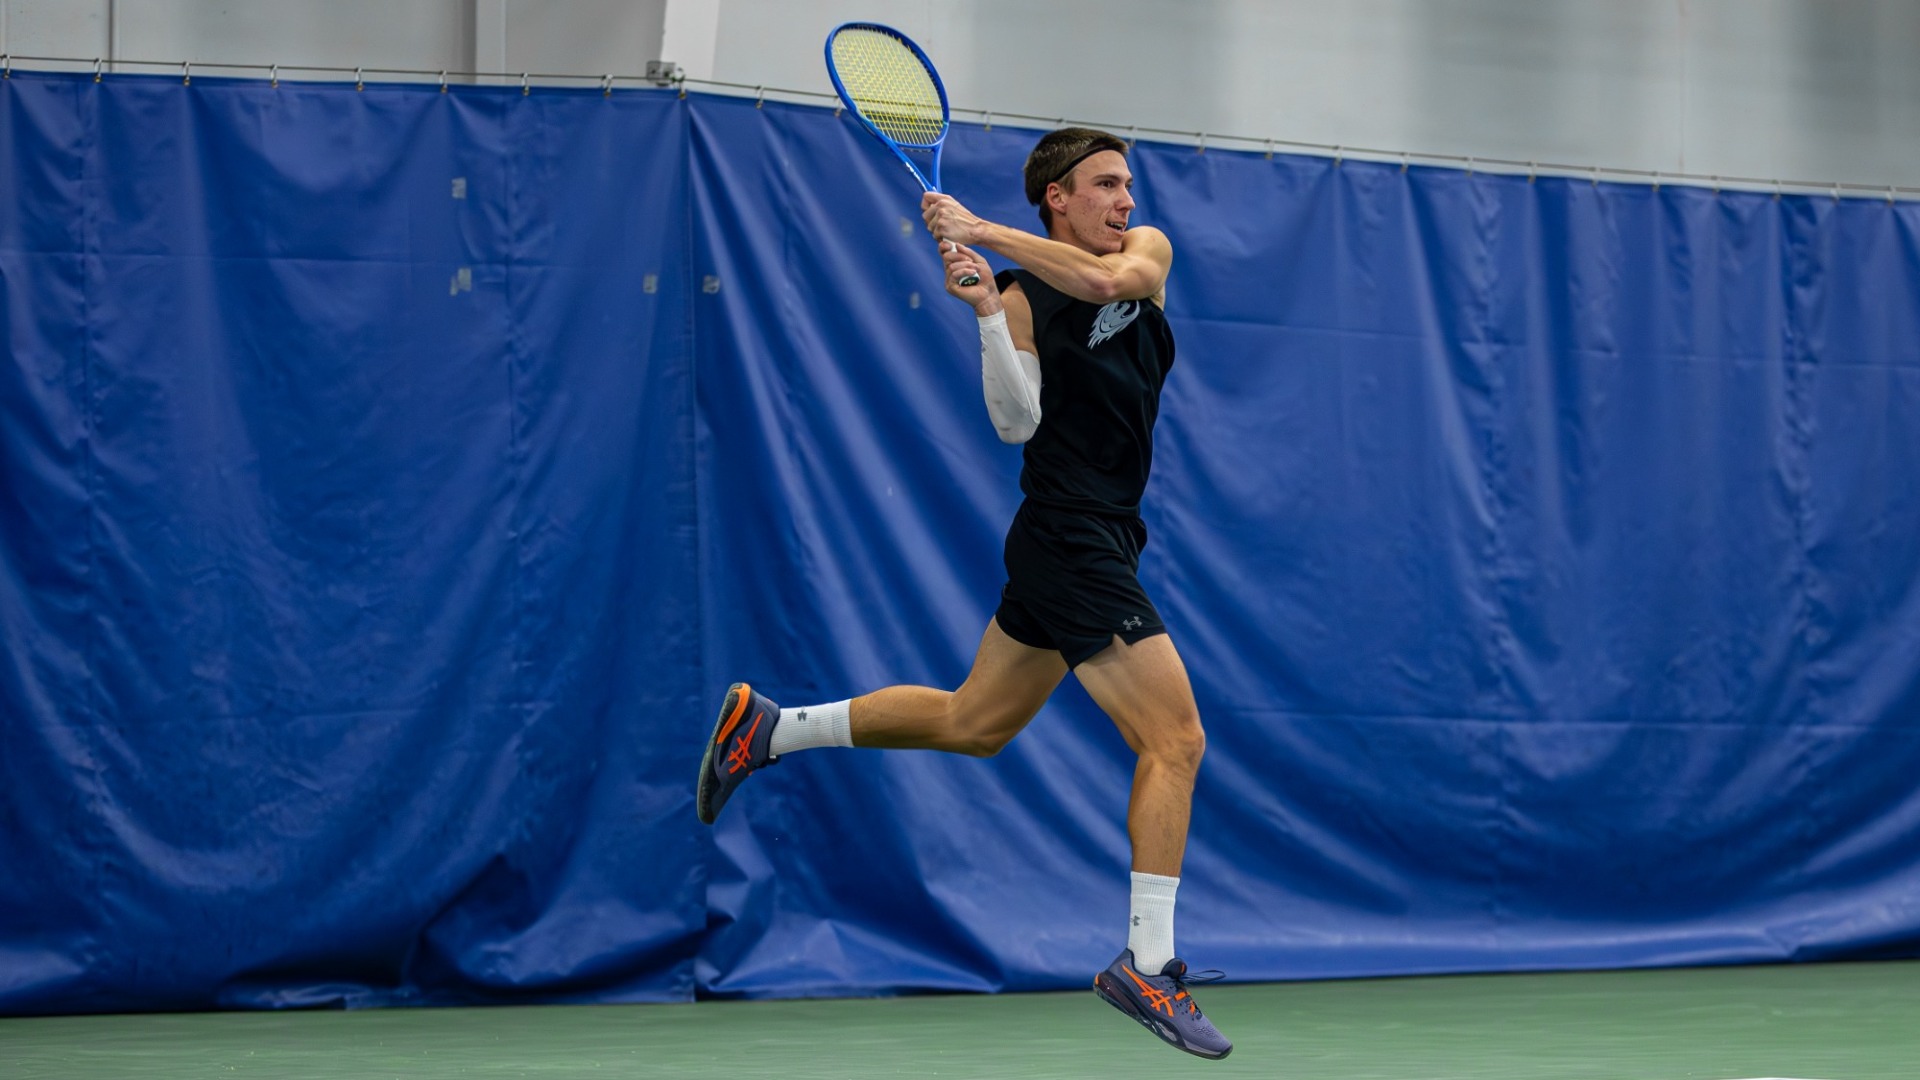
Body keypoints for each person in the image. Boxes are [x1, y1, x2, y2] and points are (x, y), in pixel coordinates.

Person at [695, 127, 1230, 1060]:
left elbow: (1109, 285)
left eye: (1127, 184)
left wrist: (981, 230)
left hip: (1104, 535)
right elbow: (1015, 420)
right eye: (1105, 185)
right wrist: (988, 309)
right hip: (1067, 537)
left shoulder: (1145, 256)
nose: (1126, 201)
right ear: (1058, 196)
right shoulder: (1023, 294)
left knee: (972, 723)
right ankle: (1149, 962)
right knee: (1175, 740)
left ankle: (772, 729)